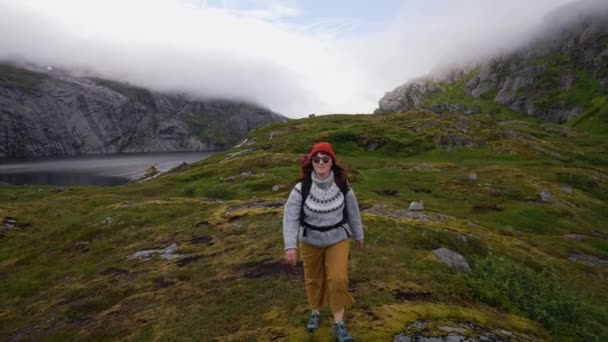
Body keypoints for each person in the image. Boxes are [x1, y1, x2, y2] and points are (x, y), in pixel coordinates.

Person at [283, 142, 364, 342]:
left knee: (338, 279)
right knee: (313, 279)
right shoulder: (301, 187)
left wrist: (359, 235)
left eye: (325, 158)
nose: (321, 162)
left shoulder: (342, 183)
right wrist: (290, 246)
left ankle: (339, 324)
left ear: (332, 162)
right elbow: (290, 216)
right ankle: (316, 311)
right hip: (310, 239)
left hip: (338, 238)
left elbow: (353, 211)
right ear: (311, 161)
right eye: (316, 158)